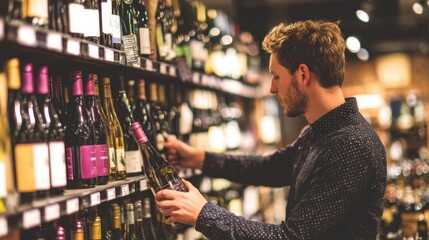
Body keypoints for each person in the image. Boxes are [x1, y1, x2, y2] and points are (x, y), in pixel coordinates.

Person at [155, 20, 387, 240]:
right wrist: (199, 159)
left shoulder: (350, 145)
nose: (272, 88)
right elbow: (271, 168)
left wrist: (204, 214)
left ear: (303, 74)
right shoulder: (321, 132)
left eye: (276, 76)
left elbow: (293, 237)